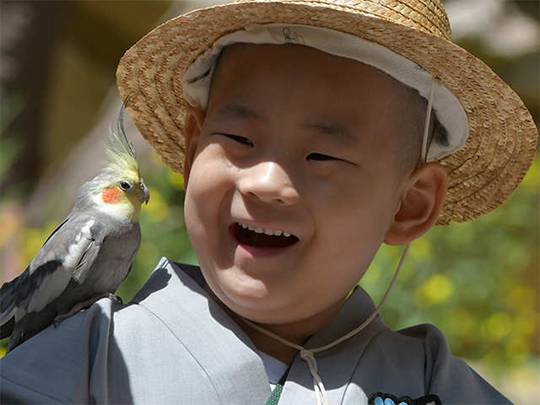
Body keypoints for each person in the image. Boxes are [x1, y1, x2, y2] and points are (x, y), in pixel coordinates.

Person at [1, 1, 537, 404]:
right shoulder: (85, 358)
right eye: (239, 140)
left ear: (410, 205)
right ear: (190, 156)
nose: (264, 182)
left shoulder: (434, 385)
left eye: (323, 155)